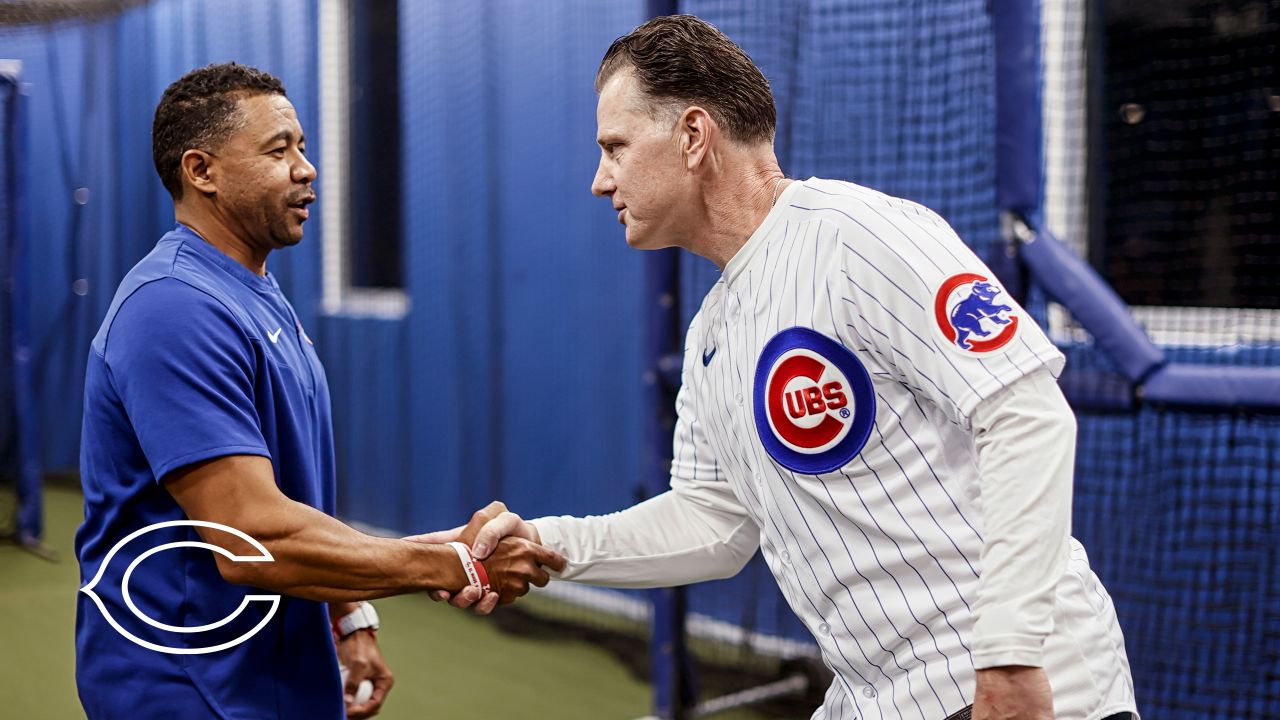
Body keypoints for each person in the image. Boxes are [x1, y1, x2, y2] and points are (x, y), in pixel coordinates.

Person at [430, 16, 1138, 720]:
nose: (599, 180)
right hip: (883, 697)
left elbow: (1027, 414)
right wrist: (550, 543)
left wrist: (1009, 654)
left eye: (614, 147)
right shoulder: (712, 332)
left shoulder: (861, 237)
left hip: (1020, 685)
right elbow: (715, 524)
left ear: (693, 136)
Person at [74, 62, 563, 720]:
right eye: (279, 150)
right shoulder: (173, 306)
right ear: (202, 171)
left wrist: (347, 613)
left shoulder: (253, 293)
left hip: (268, 681)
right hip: (184, 690)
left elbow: (288, 500)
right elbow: (250, 537)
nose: (306, 169)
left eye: (302, 147)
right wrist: (456, 565)